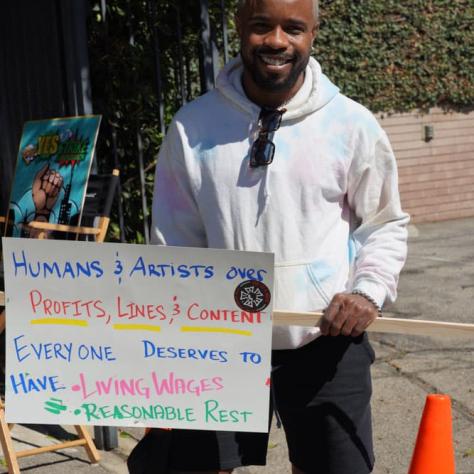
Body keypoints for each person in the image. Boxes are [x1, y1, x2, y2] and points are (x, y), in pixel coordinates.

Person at [147, 0, 409, 473]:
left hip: (325, 342)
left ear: (313, 34)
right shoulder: (193, 127)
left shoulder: (350, 124)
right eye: (262, 26)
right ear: (239, 27)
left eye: (293, 28)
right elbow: (174, 243)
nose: (277, 41)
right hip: (219, 341)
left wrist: (367, 292)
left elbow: (384, 223)